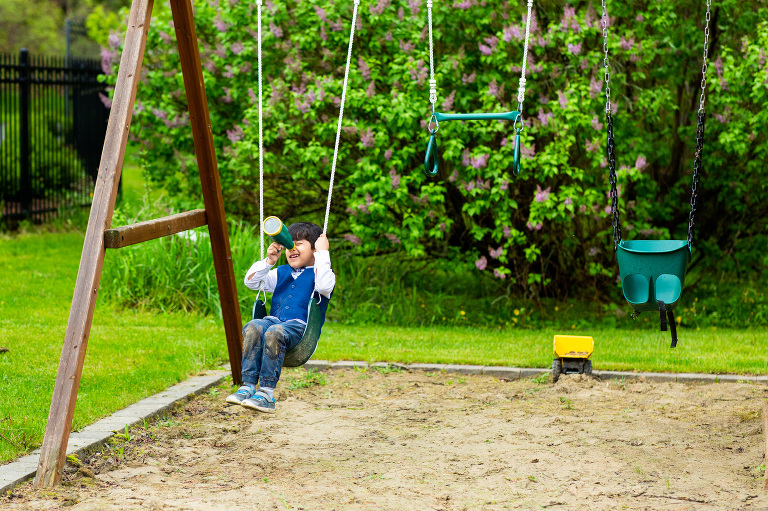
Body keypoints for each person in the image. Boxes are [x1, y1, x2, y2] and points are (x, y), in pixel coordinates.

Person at [226, 222, 335, 413]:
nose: (292, 248)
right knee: (254, 326)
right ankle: (248, 385)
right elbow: (251, 282)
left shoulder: (321, 273)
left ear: (314, 249)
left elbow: (325, 287)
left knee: (275, 332)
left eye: (299, 244)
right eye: (289, 244)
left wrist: (323, 254)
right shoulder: (281, 273)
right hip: (274, 322)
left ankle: (266, 393)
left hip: (300, 329)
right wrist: (269, 261)